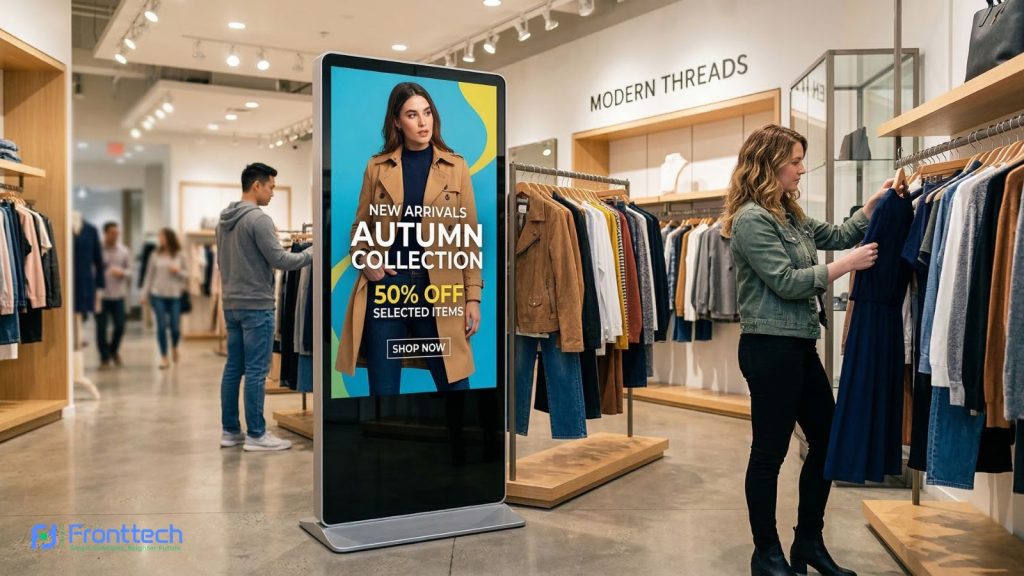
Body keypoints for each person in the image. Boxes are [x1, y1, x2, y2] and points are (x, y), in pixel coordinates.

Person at [722, 125, 896, 576]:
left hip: (798, 346)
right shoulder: (750, 219)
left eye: (801, 160)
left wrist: (872, 207)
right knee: (769, 454)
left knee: (827, 441)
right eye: (795, 161)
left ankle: (808, 543)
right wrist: (845, 267)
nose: (802, 169)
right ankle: (767, 553)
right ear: (768, 164)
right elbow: (785, 281)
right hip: (768, 349)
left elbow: (838, 234)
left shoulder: (788, 213)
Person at [336, 82, 483, 396]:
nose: (423, 122)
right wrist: (365, 261)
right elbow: (358, 230)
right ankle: (385, 447)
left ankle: (460, 446)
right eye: (412, 115)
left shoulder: (456, 167)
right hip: (388, 290)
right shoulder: (376, 168)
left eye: (427, 113)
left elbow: (467, 239)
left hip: (439, 291)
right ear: (396, 122)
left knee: (456, 386)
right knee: (384, 391)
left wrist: (473, 297)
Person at [217, 162, 311, 452]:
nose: (272, 193)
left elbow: (223, 263)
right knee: (257, 371)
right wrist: (312, 252)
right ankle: (257, 434)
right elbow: (281, 260)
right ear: (256, 185)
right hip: (257, 305)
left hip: (231, 303)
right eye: (270, 186)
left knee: (234, 368)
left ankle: (231, 431)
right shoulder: (259, 220)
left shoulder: (224, 220)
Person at [141, 228, 188, 370]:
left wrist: (178, 271)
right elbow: (149, 276)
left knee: (174, 327)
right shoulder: (154, 255)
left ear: (169, 238)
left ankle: (174, 346)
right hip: (157, 295)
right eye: (159, 237)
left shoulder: (180, 255)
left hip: (175, 295)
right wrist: (144, 294)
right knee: (161, 326)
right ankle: (164, 357)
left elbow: (188, 274)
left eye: (162, 236)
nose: (160, 239)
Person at [96, 221, 131, 368]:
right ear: (105, 233)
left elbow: (130, 271)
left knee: (120, 326)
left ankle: (113, 350)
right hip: (101, 296)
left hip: (118, 296)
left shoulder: (124, 251)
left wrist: (122, 272)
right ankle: (104, 357)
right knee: (101, 329)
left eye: (117, 233)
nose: (115, 236)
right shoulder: (97, 250)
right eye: (112, 233)